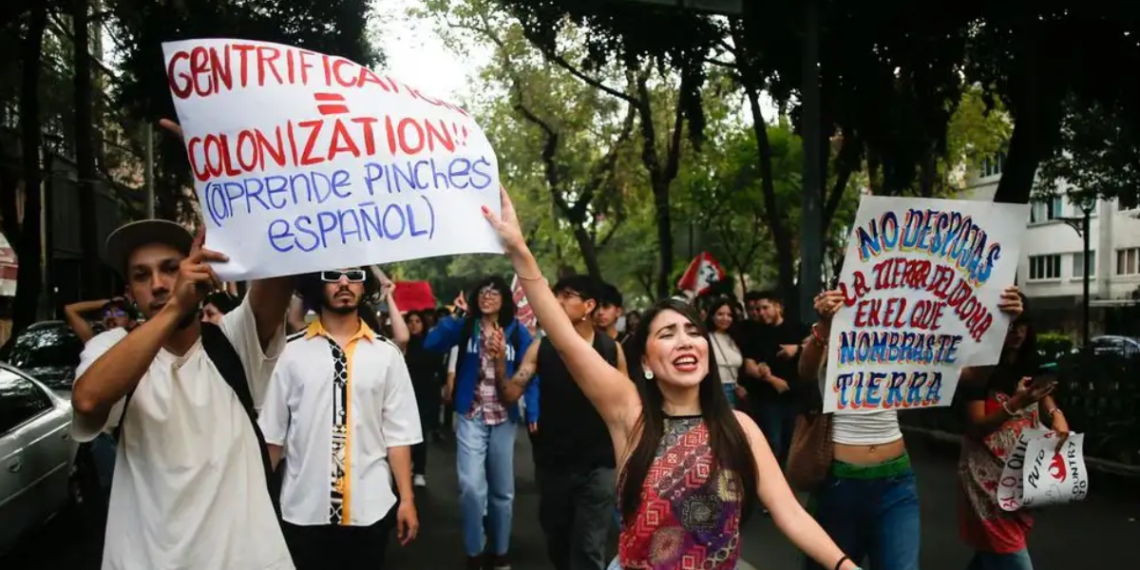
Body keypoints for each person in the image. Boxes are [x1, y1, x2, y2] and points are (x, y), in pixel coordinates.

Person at [482, 188, 861, 570]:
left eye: (693, 332)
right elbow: (563, 338)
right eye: (667, 334)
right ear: (646, 360)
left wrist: (846, 566)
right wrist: (519, 250)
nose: (684, 341)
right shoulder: (629, 414)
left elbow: (790, 514)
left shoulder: (740, 428)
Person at [70, 218, 295, 570]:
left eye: (171, 268)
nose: (158, 284)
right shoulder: (111, 347)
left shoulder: (232, 341)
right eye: (142, 276)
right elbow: (88, 400)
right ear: (130, 293)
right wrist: (176, 306)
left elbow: (283, 262)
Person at [798, 286, 1024, 570]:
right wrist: (824, 323)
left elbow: (972, 376)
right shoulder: (830, 334)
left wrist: (999, 327)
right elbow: (805, 372)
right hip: (840, 484)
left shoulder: (904, 342)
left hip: (896, 485)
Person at [259, 267, 421, 570]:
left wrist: (407, 499)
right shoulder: (290, 353)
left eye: (354, 275)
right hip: (304, 509)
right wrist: (256, 501)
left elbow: (398, 436)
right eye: (333, 275)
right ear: (317, 284)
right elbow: (273, 436)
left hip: (370, 508)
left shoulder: (387, 355)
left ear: (365, 284)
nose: (344, 283)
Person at [498, 275, 626, 570]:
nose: (557, 302)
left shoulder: (610, 350)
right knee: (558, 542)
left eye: (567, 296)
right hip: (554, 463)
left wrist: (626, 462)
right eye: (556, 295)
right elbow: (511, 393)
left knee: (589, 547)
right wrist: (498, 362)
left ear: (588, 306)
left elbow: (625, 409)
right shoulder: (541, 348)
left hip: (599, 465)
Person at [424, 277, 536, 570]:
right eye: (483, 292)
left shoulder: (516, 331)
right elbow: (431, 344)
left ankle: (500, 550)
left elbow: (529, 372)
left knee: (502, 491)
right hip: (471, 415)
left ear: (505, 300)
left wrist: (533, 411)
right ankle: (474, 549)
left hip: (503, 417)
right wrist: (455, 316)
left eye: (495, 292)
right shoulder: (465, 327)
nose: (488, 296)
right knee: (472, 488)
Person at [958, 298, 1069, 570]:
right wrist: (1017, 403)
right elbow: (977, 427)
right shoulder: (980, 367)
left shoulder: (1028, 360)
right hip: (985, 480)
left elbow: (1044, 392)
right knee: (1008, 551)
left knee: (991, 555)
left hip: (1019, 474)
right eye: (1010, 325)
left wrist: (1056, 414)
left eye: (1022, 324)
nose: (1017, 332)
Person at [742, 290, 807, 465]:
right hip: (768, 399)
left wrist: (797, 349)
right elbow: (749, 365)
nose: (761, 313)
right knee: (773, 444)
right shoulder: (755, 334)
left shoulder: (797, 329)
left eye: (765, 308)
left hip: (795, 396)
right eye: (758, 309)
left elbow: (816, 345)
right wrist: (767, 376)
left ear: (778, 306)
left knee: (793, 444)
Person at [404, 310, 444, 487]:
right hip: (403, 394)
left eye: (417, 321)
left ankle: (419, 470)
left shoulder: (430, 343)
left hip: (424, 394)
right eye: (410, 321)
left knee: (420, 434)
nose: (414, 325)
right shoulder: (400, 345)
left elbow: (439, 368)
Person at [706, 298, 747, 409]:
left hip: (734, 389)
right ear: (712, 316)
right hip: (715, 389)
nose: (725, 318)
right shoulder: (706, 337)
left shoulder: (734, 338)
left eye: (729, 315)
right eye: (720, 314)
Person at [64, 297, 136, 343]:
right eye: (107, 313)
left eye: (119, 313)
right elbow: (69, 309)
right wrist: (109, 301)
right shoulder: (94, 341)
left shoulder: (136, 345)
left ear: (131, 323)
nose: (111, 317)